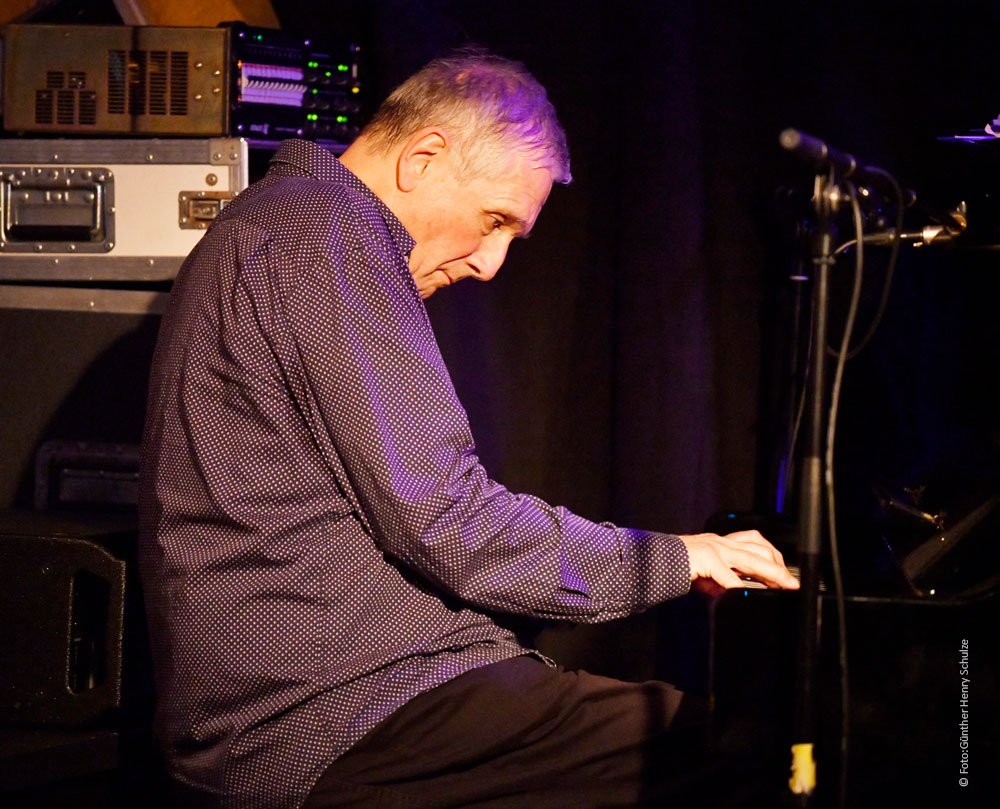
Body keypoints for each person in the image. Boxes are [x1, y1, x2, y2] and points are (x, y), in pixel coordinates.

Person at [139, 48, 798, 809]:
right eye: (494, 221)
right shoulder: (324, 235)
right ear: (422, 158)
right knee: (754, 753)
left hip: (357, 690)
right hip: (331, 717)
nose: (490, 264)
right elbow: (449, 523)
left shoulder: (291, 223)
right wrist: (675, 559)